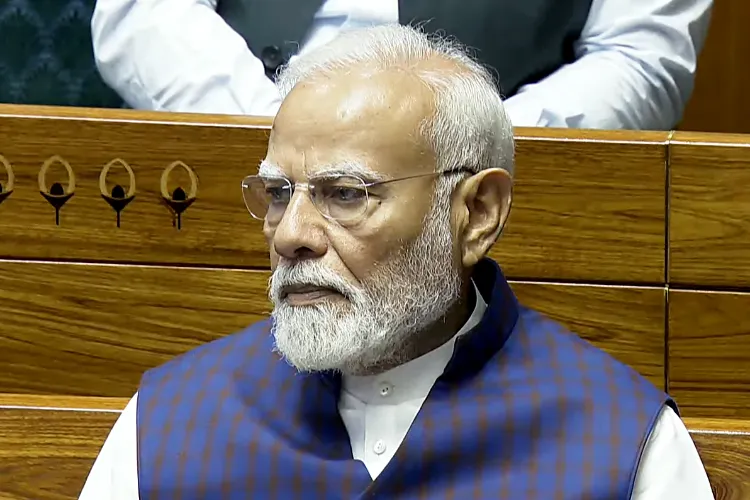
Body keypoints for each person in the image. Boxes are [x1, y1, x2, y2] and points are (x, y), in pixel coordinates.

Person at [80, 24, 714, 500]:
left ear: (477, 212)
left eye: (346, 194)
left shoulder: (623, 443)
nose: (291, 234)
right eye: (277, 194)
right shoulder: (166, 422)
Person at [91, 0, 712, 130]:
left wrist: (469, 140)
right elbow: (144, 11)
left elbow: (640, 55)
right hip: (231, 161)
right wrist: (279, 130)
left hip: (503, 202)